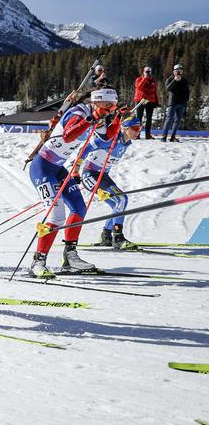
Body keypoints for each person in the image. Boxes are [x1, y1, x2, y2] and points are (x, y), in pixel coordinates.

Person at [28, 88, 121, 278]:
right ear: (97, 102)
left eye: (114, 107)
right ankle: (38, 262)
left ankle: (70, 257)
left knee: (79, 208)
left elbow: (106, 138)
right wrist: (91, 118)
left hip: (58, 168)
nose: (111, 110)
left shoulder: (98, 117)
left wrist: (119, 119)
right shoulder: (78, 112)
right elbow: (68, 136)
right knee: (56, 215)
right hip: (42, 167)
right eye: (109, 106)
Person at [79, 114, 142, 249]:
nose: (138, 131)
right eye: (135, 128)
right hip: (90, 175)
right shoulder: (111, 139)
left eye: (140, 128)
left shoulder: (126, 142)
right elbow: (86, 148)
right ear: (125, 128)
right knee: (121, 199)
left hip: (103, 175)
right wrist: (76, 167)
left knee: (118, 204)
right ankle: (117, 237)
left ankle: (106, 235)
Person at [163, 64, 189, 142]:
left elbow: (187, 91)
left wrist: (185, 101)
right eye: (177, 71)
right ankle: (164, 136)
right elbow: (167, 88)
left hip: (181, 103)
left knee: (177, 120)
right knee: (169, 119)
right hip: (173, 102)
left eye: (180, 71)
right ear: (174, 71)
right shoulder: (170, 79)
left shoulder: (184, 80)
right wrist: (175, 80)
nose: (179, 72)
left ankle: (173, 137)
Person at [132, 66, 159, 140]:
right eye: (146, 72)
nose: (148, 73)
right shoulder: (139, 79)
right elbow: (139, 87)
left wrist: (156, 101)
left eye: (149, 72)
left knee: (149, 119)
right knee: (139, 118)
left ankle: (148, 135)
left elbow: (154, 91)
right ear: (143, 72)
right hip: (140, 100)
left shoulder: (152, 81)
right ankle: (137, 135)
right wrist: (144, 79)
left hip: (150, 101)